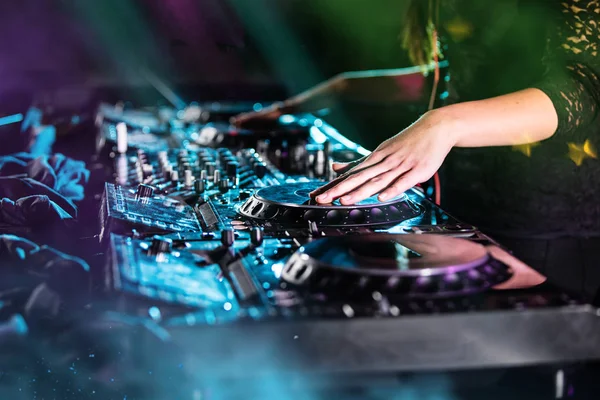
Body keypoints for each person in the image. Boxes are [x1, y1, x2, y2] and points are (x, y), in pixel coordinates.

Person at [233, 0, 600, 301]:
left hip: (541, 240)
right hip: (469, 224)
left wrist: (442, 124)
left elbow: (582, 91)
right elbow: (452, 77)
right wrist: (338, 90)